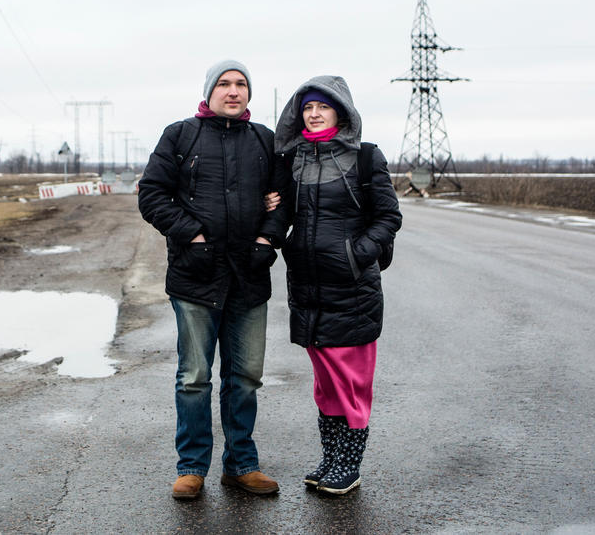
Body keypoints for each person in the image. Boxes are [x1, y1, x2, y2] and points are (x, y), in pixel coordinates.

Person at [138, 59, 287, 500]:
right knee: (194, 377)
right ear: (209, 91)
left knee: (245, 377)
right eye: (224, 83)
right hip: (196, 275)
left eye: (241, 84)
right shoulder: (180, 135)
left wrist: (267, 239)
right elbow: (151, 195)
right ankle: (192, 468)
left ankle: (241, 465)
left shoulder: (264, 139)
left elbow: (285, 202)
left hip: (249, 275)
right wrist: (192, 234)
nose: (233, 90)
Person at [271, 75, 401, 495]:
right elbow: (283, 214)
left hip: (352, 290)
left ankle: (349, 465)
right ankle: (330, 460)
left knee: (351, 382)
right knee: (325, 382)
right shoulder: (293, 160)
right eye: (307, 107)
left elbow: (388, 218)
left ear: (340, 112)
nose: (313, 114)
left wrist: (355, 255)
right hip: (308, 288)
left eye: (322, 107)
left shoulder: (366, 158)